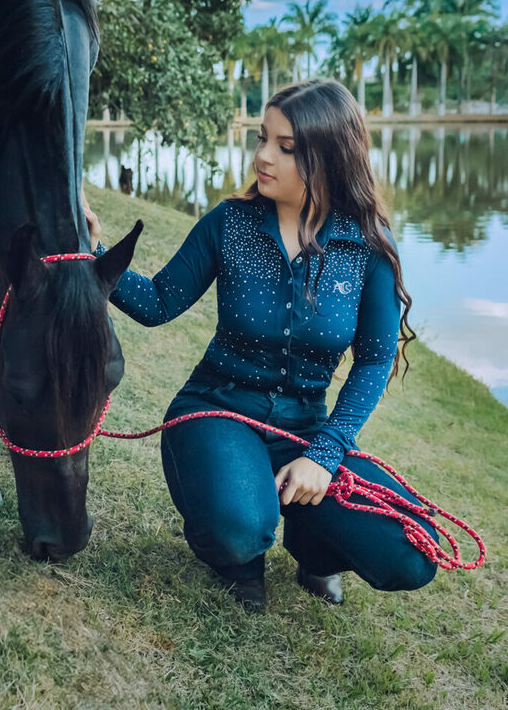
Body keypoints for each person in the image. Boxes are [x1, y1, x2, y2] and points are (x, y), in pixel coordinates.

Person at [83, 79, 439, 611]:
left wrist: (323, 455)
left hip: (307, 428)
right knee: (238, 527)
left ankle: (313, 548)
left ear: (331, 158)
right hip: (217, 410)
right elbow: (158, 302)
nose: (263, 156)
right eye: (261, 139)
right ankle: (238, 554)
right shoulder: (229, 223)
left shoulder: (369, 246)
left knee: (413, 552)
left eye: (285, 147)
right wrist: (95, 251)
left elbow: (372, 360)